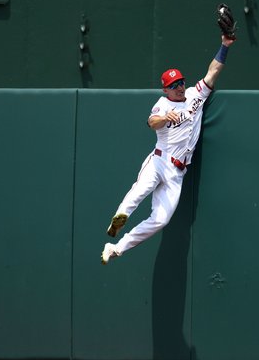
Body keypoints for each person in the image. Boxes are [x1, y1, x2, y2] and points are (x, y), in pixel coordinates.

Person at [101, 33, 236, 264]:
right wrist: (164, 117)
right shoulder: (162, 104)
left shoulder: (195, 95)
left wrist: (224, 45)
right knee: (140, 190)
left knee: (161, 220)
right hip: (159, 161)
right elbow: (151, 123)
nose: (180, 87)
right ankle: (119, 217)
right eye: (174, 85)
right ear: (166, 89)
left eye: (181, 82)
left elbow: (213, 71)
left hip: (178, 172)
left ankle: (116, 247)